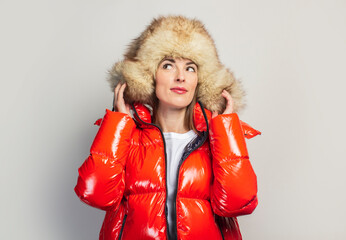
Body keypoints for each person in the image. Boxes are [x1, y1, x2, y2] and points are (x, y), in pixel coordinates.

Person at [74, 16, 261, 240]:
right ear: (149, 77)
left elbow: (239, 203)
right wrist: (117, 124)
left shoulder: (216, 140)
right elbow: (95, 195)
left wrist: (225, 129)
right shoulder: (127, 137)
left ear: (200, 81)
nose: (180, 77)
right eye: (168, 65)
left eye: (190, 68)